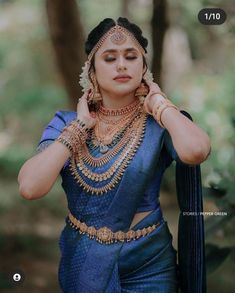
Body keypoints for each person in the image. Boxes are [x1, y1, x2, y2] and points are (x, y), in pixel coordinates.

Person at [18, 17, 211, 293]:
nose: (122, 64)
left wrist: (159, 104)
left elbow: (198, 150)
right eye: (109, 58)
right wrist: (80, 128)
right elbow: (29, 187)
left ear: (143, 67)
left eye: (131, 57)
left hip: (150, 264)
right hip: (84, 261)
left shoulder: (160, 125)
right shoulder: (66, 123)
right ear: (92, 70)